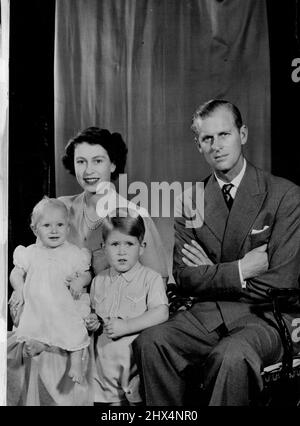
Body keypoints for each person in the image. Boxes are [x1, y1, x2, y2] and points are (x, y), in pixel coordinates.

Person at [133, 99, 300, 406]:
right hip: (207, 315)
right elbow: (184, 277)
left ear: (243, 134)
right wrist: (240, 270)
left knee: (231, 356)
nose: (217, 146)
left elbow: (281, 281)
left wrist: (211, 271)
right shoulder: (190, 200)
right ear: (198, 145)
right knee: (151, 341)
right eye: (207, 138)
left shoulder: (284, 195)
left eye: (224, 134)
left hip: (265, 318)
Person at [59, 126, 168, 280]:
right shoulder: (59, 208)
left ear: (113, 164)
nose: (88, 170)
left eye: (97, 161)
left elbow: (160, 279)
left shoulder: (135, 214)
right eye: (81, 161)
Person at [85, 208, 169, 406]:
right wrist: (93, 322)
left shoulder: (151, 278)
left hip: (132, 370)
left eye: (129, 244)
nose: (122, 251)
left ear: (141, 247)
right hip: (102, 371)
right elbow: (97, 317)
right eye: (114, 244)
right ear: (103, 247)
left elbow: (161, 311)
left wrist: (128, 326)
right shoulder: (99, 281)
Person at [9, 197, 91, 384]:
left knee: (74, 330)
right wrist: (19, 288)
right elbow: (15, 273)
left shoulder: (73, 253)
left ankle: (76, 362)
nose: (54, 230)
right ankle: (40, 343)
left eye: (60, 225)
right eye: (47, 225)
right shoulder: (30, 253)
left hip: (64, 305)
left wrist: (80, 281)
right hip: (38, 306)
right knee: (37, 326)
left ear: (68, 228)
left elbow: (86, 274)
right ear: (34, 229)